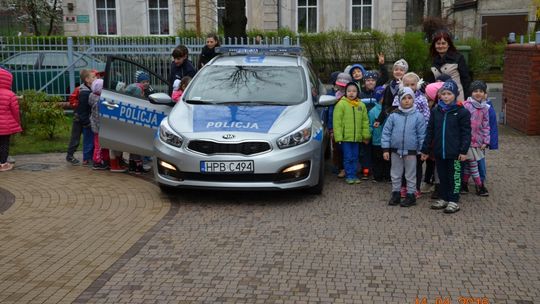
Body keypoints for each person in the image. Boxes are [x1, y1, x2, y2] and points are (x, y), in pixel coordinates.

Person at [421, 80, 471, 214]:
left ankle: (454, 200)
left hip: (455, 153)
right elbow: (430, 131)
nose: (446, 96)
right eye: (444, 94)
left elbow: (466, 133)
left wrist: (463, 150)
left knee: (454, 176)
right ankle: (443, 197)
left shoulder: (462, 112)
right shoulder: (436, 111)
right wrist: (425, 149)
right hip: (439, 152)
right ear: (440, 95)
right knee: (442, 176)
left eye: (449, 94)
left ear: (455, 95)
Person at [382, 87, 426, 207]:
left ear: (413, 100)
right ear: (399, 100)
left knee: (410, 174)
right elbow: (386, 132)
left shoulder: (418, 116)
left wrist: (422, 150)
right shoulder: (393, 116)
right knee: (395, 173)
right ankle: (395, 194)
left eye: (409, 98)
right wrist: (386, 149)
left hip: (411, 152)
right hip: (395, 151)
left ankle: (411, 195)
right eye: (404, 98)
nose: (407, 101)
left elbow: (422, 135)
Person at [392, 72, 430, 198]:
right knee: (402, 165)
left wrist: (423, 137)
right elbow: (395, 115)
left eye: (412, 84)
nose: (410, 86)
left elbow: (426, 117)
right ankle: (403, 187)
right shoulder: (398, 98)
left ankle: (415, 187)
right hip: (402, 138)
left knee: (416, 166)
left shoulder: (422, 98)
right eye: (407, 84)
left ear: (417, 85)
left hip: (415, 138)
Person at [333, 82, 371, 184]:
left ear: (357, 92)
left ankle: (354, 175)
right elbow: (337, 122)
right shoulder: (341, 104)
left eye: (354, 91)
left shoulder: (361, 105)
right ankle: (349, 175)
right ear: (345, 92)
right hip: (346, 138)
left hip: (357, 138)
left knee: (355, 157)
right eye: (349, 91)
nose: (351, 93)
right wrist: (338, 137)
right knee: (348, 157)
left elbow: (365, 121)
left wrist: (365, 135)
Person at [462, 80, 490, 196]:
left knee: (469, 164)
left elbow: (486, 126)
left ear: (484, 94)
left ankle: (464, 184)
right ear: (471, 93)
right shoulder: (466, 106)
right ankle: (480, 186)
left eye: (481, 91)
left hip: (477, 142)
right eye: (475, 91)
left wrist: (486, 141)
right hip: (466, 141)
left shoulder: (485, 108)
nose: (478, 93)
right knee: (473, 163)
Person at [427, 30, 471, 101]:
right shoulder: (431, 60)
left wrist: (467, 98)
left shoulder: (458, 58)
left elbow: (465, 79)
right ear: (434, 45)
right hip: (440, 99)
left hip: (457, 98)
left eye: (443, 43)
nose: (441, 46)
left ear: (448, 44)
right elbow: (430, 81)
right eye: (438, 43)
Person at [66, 69, 96, 166]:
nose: (95, 79)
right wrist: (86, 122)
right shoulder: (84, 92)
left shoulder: (90, 89)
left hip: (84, 118)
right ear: (87, 79)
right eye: (93, 77)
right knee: (75, 138)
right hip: (79, 118)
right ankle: (70, 155)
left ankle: (88, 157)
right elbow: (82, 109)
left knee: (86, 138)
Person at [422, 81, 444, 198]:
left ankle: (443, 187)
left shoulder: (457, 111)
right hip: (433, 143)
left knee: (441, 166)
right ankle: (434, 185)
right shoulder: (434, 111)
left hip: (445, 144)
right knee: (433, 164)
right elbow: (430, 129)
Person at [329, 72, 352, 178]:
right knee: (337, 149)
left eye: (344, 85)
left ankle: (349, 168)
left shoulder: (352, 97)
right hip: (336, 128)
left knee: (348, 149)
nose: (341, 87)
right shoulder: (333, 97)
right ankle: (340, 168)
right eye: (340, 84)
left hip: (348, 129)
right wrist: (331, 129)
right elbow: (330, 114)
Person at [374, 58, 408, 127]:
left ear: (405, 73)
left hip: (405, 119)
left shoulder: (407, 86)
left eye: (401, 70)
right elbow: (385, 106)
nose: (398, 72)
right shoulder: (389, 87)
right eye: (396, 69)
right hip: (392, 119)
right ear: (393, 72)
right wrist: (379, 120)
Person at [0, 67, 22, 172]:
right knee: (4, 144)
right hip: (6, 126)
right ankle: (3, 163)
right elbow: (15, 111)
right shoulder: (10, 95)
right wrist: (17, 123)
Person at [88, 78, 110, 170]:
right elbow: (99, 115)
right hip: (99, 126)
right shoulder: (99, 100)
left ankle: (105, 159)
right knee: (99, 144)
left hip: (95, 124)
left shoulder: (91, 96)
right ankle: (97, 162)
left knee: (102, 144)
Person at [369, 86, 390, 182]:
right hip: (377, 140)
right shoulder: (373, 111)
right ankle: (378, 176)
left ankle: (388, 176)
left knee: (387, 160)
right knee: (377, 160)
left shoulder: (390, 109)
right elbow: (370, 125)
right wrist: (369, 134)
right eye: (382, 97)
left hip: (388, 141)